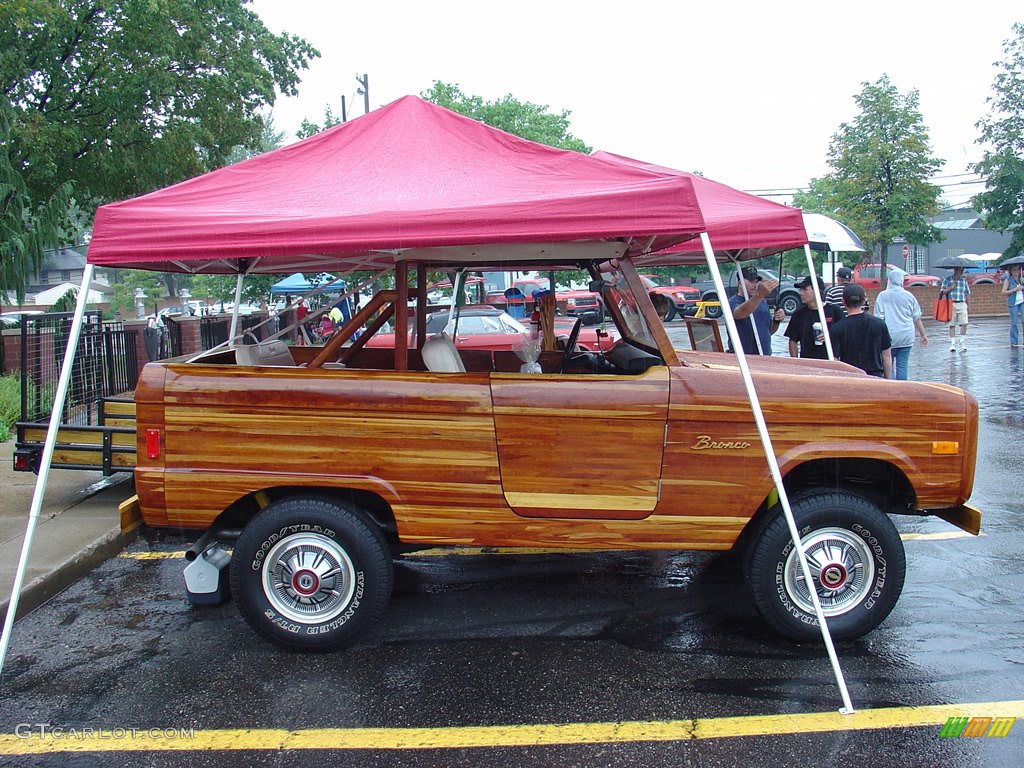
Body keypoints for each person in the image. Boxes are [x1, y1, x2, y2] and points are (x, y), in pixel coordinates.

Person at [873, 266, 929, 380]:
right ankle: (903, 389)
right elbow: (916, 317)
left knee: (888, 364)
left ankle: (892, 388)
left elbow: (878, 318)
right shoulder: (909, 296)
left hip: (889, 336)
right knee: (902, 366)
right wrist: (923, 335)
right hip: (907, 336)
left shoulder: (883, 296)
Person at [829, 283, 892, 378]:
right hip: (875, 377)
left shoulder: (837, 328)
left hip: (850, 378)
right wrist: (888, 380)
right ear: (864, 301)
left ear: (843, 302)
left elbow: (835, 360)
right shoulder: (879, 324)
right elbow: (886, 357)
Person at [727, 265, 785, 355]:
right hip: (742, 357)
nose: (754, 285)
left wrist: (777, 321)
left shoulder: (762, 302)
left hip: (765, 357)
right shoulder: (733, 302)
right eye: (751, 281)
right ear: (740, 283)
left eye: (756, 281)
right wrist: (760, 295)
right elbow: (739, 313)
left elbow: (769, 331)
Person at [785, 275, 843, 359]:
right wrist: (796, 362)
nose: (801, 293)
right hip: (808, 362)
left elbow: (845, 336)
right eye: (800, 290)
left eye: (805, 289)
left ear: (817, 291)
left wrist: (830, 335)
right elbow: (793, 340)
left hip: (831, 362)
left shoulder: (834, 311)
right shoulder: (798, 314)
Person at [939, 266, 971, 352]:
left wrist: (969, 306)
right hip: (951, 304)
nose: (958, 271)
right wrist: (951, 288)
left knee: (964, 323)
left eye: (960, 270)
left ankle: (962, 342)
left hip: (961, 303)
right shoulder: (948, 280)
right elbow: (942, 292)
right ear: (954, 270)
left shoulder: (964, 281)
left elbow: (967, 294)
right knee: (951, 324)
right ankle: (953, 344)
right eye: (956, 269)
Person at [1001, 262, 1024, 347]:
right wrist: (1015, 289)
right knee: (1014, 322)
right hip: (1013, 303)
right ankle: (1014, 341)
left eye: (1018, 269)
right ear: (1011, 271)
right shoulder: (1008, 280)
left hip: (1022, 302)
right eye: (1014, 270)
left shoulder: (1022, 279)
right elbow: (1003, 292)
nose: (1017, 271)